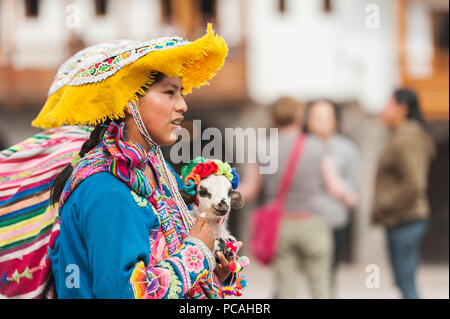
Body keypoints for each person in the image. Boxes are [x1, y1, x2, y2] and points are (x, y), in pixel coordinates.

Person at [27, 24, 244, 299]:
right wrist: (196, 254)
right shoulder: (105, 189)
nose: (183, 105)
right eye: (169, 92)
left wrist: (211, 270)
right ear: (130, 101)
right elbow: (119, 292)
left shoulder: (158, 170)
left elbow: (167, 253)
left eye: (182, 93)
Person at [239, 97, 333, 299]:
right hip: (313, 222)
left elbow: (251, 188)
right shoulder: (317, 146)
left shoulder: (263, 147)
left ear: (272, 119)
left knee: (285, 288)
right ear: (299, 117)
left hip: (281, 225)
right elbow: (333, 184)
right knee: (320, 286)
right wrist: (349, 196)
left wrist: (225, 195)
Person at [372, 88, 436, 299]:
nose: (384, 110)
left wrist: (386, 204)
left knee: (406, 282)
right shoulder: (401, 136)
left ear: (402, 109)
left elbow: (414, 183)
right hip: (401, 219)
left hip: (405, 218)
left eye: (389, 104)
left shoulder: (407, 138)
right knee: (403, 281)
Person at [304, 99, 359, 296]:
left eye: (325, 117)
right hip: (304, 218)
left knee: (329, 271)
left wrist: (340, 189)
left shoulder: (347, 148)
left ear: (335, 121)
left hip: (333, 219)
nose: (320, 122)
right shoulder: (300, 146)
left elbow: (353, 184)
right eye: (315, 117)